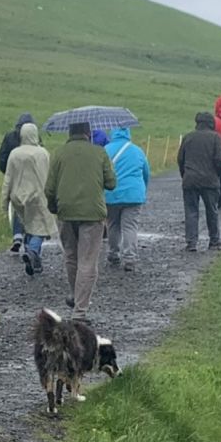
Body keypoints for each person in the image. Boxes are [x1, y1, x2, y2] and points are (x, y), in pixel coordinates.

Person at [44, 121, 116, 317]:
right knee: (87, 260)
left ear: (70, 132)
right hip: (93, 214)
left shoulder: (59, 153)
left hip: (65, 213)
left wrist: (54, 208)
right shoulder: (99, 153)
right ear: (88, 132)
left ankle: (75, 296)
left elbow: (49, 188)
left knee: (71, 256)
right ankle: (80, 309)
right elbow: (111, 183)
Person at [0, 121, 57, 276]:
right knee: (40, 228)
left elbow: (8, 178)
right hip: (37, 196)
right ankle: (32, 251)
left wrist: (4, 201)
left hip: (17, 197)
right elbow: (49, 176)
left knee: (27, 225)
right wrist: (52, 195)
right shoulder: (42, 153)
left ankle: (32, 260)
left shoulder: (15, 153)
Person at [177, 111, 221, 252]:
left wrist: (185, 174)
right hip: (210, 180)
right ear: (211, 123)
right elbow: (220, 160)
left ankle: (191, 242)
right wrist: (217, 174)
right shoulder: (216, 138)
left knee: (191, 211)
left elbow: (180, 159)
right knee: (212, 210)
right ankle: (214, 240)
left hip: (190, 179)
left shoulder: (188, 137)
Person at [104, 126, 150, 271]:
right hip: (133, 194)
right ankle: (130, 257)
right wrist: (142, 188)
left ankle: (113, 253)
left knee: (112, 225)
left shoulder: (105, 150)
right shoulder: (137, 150)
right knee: (130, 226)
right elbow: (146, 172)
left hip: (111, 194)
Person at [0, 113, 38, 252]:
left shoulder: (10, 137)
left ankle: (17, 235)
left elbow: (2, 157)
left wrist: (6, 171)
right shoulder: (34, 137)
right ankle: (30, 239)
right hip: (32, 178)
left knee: (17, 206)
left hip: (14, 176)